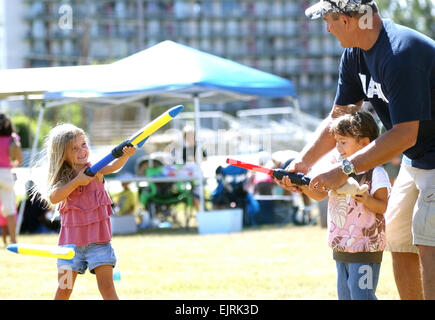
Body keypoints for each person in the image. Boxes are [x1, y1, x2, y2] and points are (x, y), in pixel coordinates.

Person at [279, 0, 434, 299]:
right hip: (417, 159)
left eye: (328, 20)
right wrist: (302, 162)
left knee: (429, 242)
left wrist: (343, 169)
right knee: (399, 237)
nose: (327, 28)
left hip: (427, 154)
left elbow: (404, 134)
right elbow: (339, 119)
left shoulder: (400, 54)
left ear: (348, 20)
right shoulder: (354, 56)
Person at [280, 111, 390, 299]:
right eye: (337, 141)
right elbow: (319, 195)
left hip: (365, 249)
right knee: (345, 296)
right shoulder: (336, 173)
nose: (338, 147)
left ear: (364, 143)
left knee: (362, 295)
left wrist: (367, 200)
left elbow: (383, 206)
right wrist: (302, 186)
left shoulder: (375, 173)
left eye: (343, 142)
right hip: (342, 247)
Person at [36, 123, 136, 300]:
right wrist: (77, 181)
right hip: (69, 249)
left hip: (99, 244)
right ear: (62, 154)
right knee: (64, 290)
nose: (82, 150)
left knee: (107, 288)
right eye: (74, 148)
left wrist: (125, 156)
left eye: (83, 144)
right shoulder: (62, 179)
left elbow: (113, 166)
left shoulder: (95, 169)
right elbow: (54, 197)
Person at [0, 113, 22, 244]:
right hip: (6, 174)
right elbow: (19, 159)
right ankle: (13, 240)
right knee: (10, 209)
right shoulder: (12, 139)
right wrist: (12, 165)